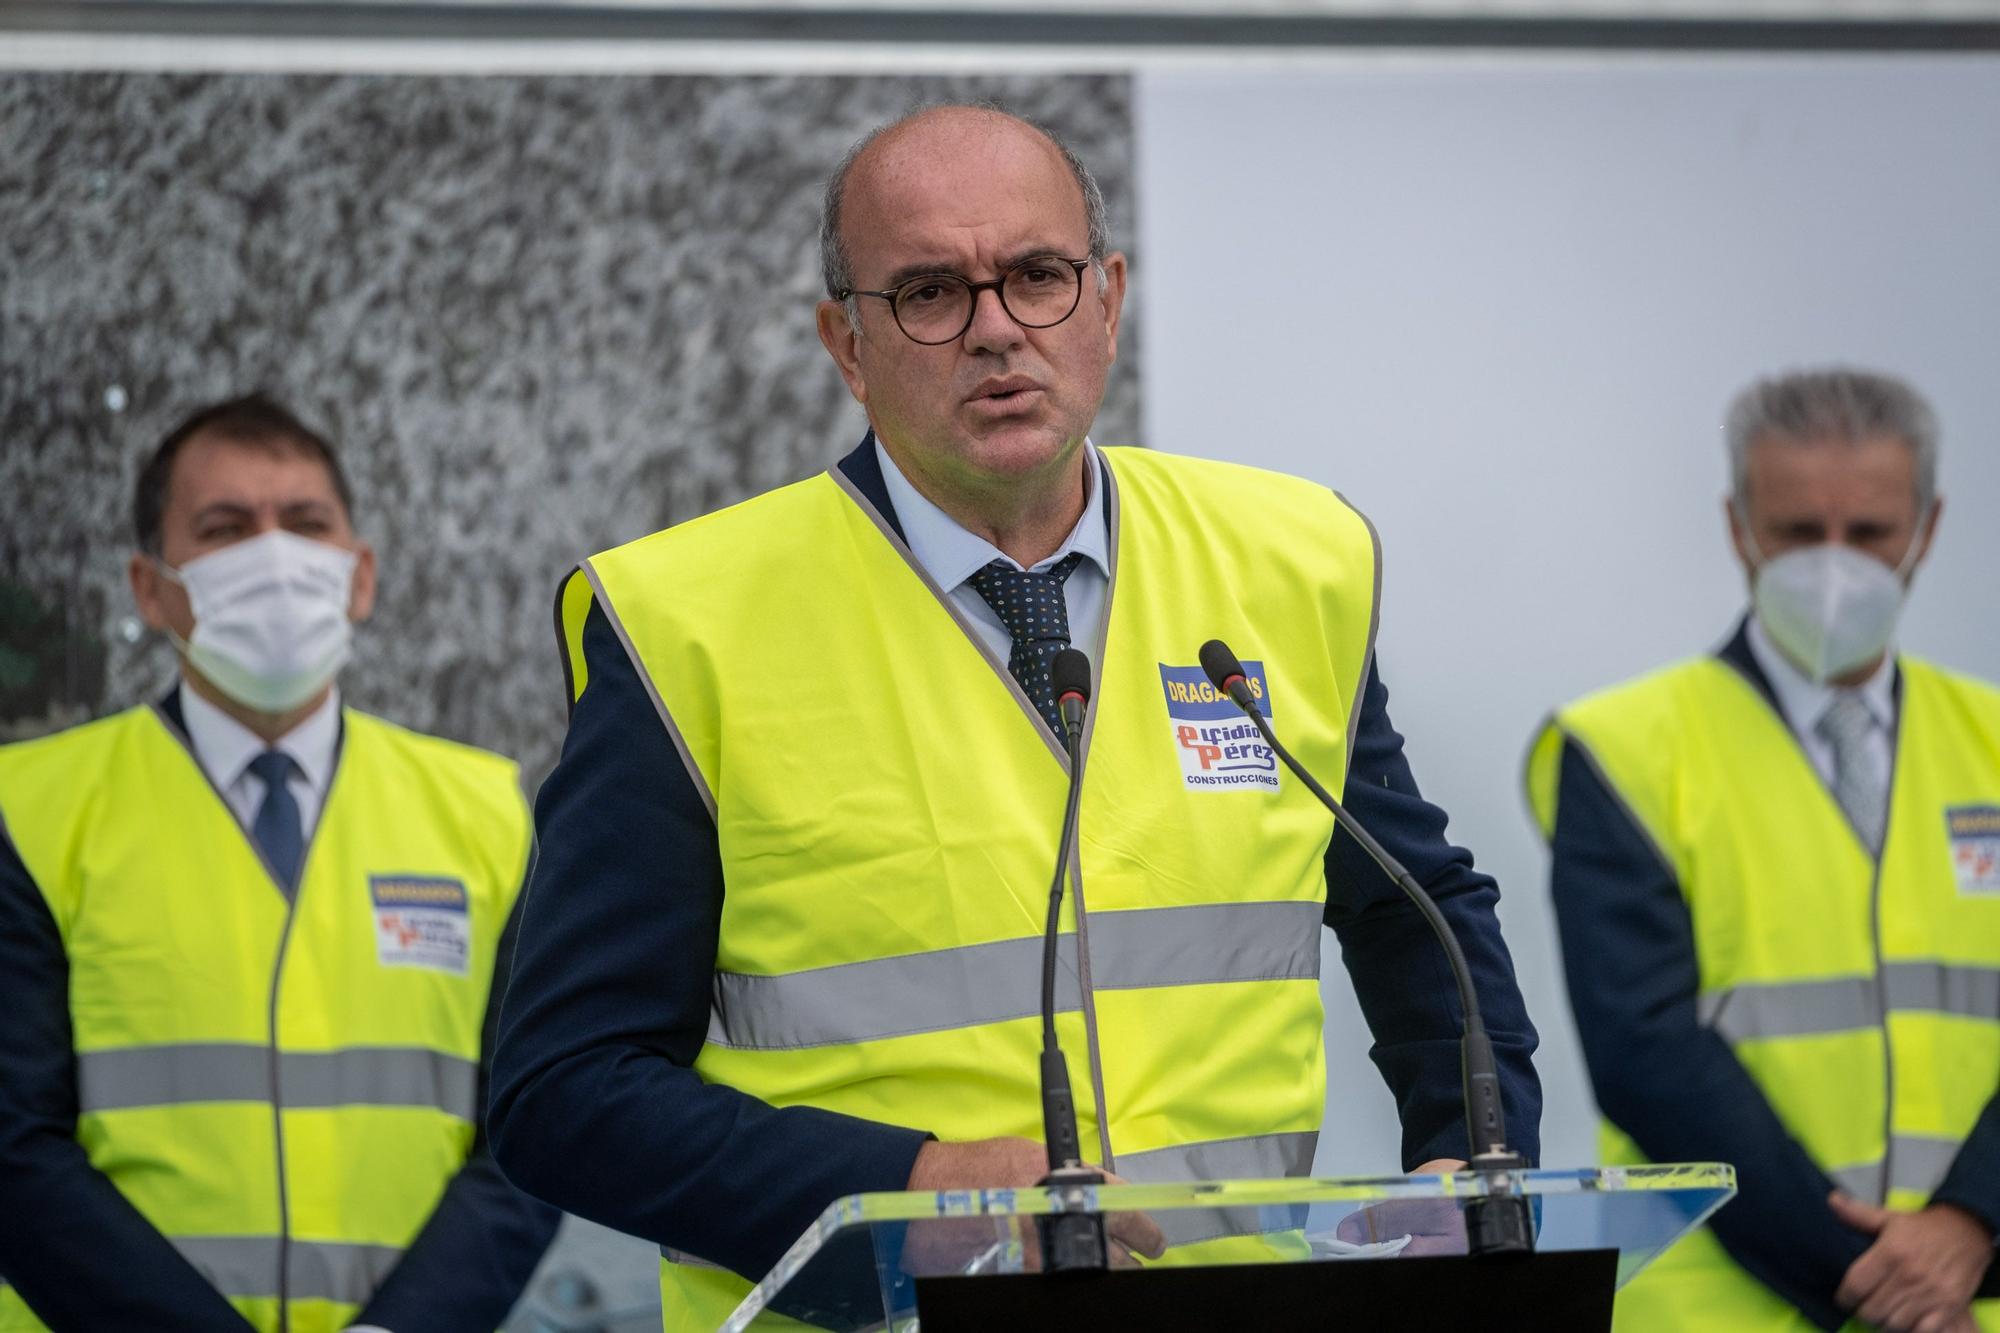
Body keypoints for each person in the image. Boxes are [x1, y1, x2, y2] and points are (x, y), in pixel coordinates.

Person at [490, 104, 1541, 1329]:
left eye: (1037, 276)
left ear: (1105, 298)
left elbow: (1419, 913)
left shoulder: (1289, 564)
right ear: (846, 342)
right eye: (930, 292)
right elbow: (564, 1092)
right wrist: (907, 1190)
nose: (995, 330)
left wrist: (1470, 1161)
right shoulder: (683, 625)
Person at [0, 394, 559, 1332]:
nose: (274, 555)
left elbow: (528, 1137)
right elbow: (14, 1147)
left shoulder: (486, 813)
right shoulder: (30, 811)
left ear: (360, 574)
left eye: (305, 523)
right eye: (225, 528)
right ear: (151, 588)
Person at [1526, 368, 1999, 1333]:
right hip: (1729, 1305)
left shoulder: (1991, 740)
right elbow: (1649, 1054)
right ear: (1740, 526)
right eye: (1796, 534)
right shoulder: (1625, 749)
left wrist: (1971, 1223)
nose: (1834, 567)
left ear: (1928, 526)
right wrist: (1887, 1286)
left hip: (1969, 1292)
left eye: (1868, 533)